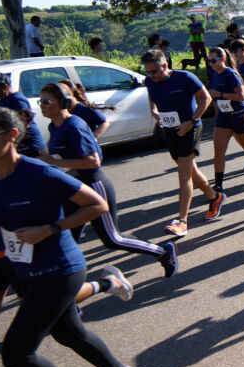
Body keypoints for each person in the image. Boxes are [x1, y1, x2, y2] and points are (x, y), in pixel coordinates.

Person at [0, 108, 143, 367]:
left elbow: (96, 205)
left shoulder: (40, 173)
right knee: (70, 334)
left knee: (17, 354)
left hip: (61, 270)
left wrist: (50, 228)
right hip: (25, 269)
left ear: (12, 136)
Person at [37, 82, 179, 276]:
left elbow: (93, 162)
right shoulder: (54, 126)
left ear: (63, 102)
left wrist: (53, 162)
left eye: (46, 102)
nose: (42, 106)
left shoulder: (75, 126)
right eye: (40, 101)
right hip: (75, 187)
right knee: (68, 237)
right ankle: (66, 284)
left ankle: (163, 252)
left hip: (94, 185)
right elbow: (55, 154)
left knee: (112, 239)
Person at [141, 49, 223, 237]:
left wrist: (192, 121)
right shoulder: (150, 82)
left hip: (190, 128)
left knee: (183, 174)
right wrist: (155, 113)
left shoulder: (185, 77)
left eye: (154, 71)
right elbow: (152, 100)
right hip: (170, 130)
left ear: (165, 66)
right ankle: (214, 196)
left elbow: (206, 98)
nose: (150, 75)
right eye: (147, 72)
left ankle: (182, 221)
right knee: (190, 171)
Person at [207, 47, 244, 193]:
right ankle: (218, 184)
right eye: (209, 60)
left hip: (240, 114)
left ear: (222, 59)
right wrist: (218, 115)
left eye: (213, 60)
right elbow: (216, 99)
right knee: (219, 150)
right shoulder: (214, 73)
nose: (210, 63)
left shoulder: (230, 74)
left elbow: (241, 97)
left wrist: (220, 93)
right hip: (225, 116)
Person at [0, 71, 46, 158]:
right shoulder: (5, 99)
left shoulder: (17, 100)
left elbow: (24, 125)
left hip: (31, 148)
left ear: (5, 86)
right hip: (21, 147)